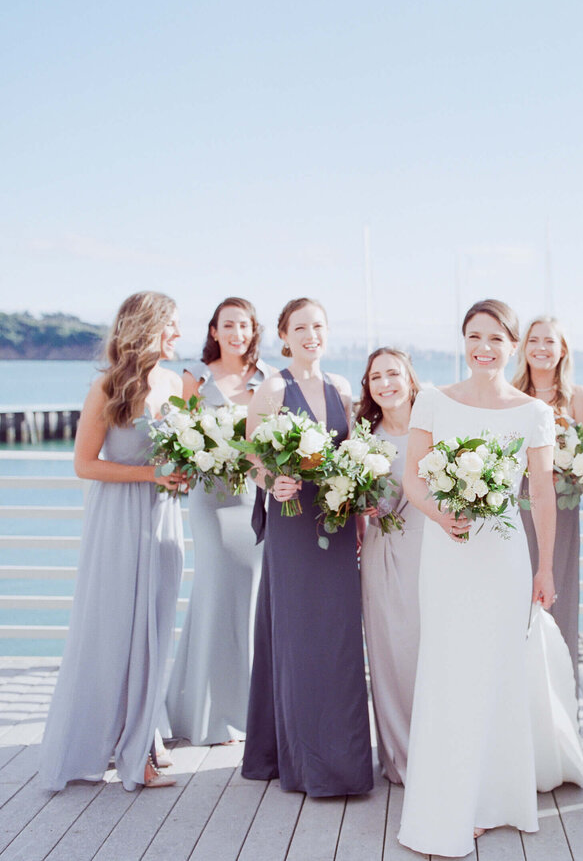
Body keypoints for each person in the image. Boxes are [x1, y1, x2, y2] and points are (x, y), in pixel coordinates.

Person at [397, 299, 583, 858]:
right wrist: (439, 513)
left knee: (499, 669)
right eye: (474, 336)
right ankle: (450, 799)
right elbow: (412, 476)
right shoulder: (432, 400)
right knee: (448, 667)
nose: (484, 347)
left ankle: (494, 796)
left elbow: (543, 494)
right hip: (447, 551)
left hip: (504, 554)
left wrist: (545, 566)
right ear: (464, 340)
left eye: (496, 338)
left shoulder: (533, 411)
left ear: (512, 344)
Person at [38, 291, 187, 792]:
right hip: (118, 521)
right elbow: (85, 464)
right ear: (148, 327)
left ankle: (141, 738)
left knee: (156, 628)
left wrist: (187, 472)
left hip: (164, 518)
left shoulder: (174, 385)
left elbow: (182, 454)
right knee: (114, 630)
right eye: (171, 326)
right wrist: (153, 473)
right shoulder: (107, 387)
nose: (179, 335)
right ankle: (115, 747)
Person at [240, 297, 373, 796]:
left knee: (339, 637)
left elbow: (353, 454)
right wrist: (273, 481)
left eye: (318, 325)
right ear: (284, 335)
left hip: (336, 523)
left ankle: (345, 758)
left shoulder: (341, 387)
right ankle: (305, 762)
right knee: (298, 636)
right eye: (301, 327)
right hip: (293, 526)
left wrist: (359, 514)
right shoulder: (272, 388)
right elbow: (253, 458)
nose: (310, 334)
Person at [165, 297, 272, 746]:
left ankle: (250, 709)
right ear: (214, 330)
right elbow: (179, 436)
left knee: (249, 594)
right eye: (228, 325)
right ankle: (204, 714)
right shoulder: (197, 377)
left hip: (252, 498)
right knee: (213, 590)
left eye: (244, 325)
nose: (236, 333)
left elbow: (270, 439)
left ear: (253, 331)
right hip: (210, 499)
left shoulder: (267, 378)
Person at [513, 316, 583, 690]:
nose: (542, 348)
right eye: (535, 340)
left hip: (560, 509)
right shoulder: (509, 392)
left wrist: (567, 472)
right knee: (514, 602)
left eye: (550, 341)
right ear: (523, 347)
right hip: (516, 506)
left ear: (563, 350)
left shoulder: (578, 397)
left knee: (556, 598)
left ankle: (559, 705)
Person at [356, 347, 424, 784]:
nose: (385, 383)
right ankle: (401, 756)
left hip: (434, 553)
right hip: (384, 553)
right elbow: (356, 502)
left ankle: (440, 746)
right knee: (392, 653)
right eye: (375, 376)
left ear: (409, 378)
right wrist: (363, 504)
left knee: (430, 652)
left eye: (393, 373)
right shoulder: (364, 437)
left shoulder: (433, 425)